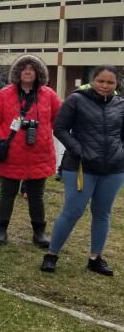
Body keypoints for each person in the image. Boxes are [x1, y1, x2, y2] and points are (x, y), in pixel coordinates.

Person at [42, 65, 124, 275]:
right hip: (80, 166)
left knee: (103, 213)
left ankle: (95, 258)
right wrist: (79, 151)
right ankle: (52, 254)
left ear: (116, 84)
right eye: (101, 81)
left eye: (110, 82)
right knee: (73, 211)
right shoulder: (76, 99)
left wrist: (120, 152)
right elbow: (60, 128)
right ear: (93, 80)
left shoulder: (120, 104)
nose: (105, 86)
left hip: (113, 168)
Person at [0, 55, 61, 247]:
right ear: (17, 72)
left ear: (38, 73)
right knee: (7, 193)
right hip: (11, 153)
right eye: (23, 68)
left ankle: (39, 233)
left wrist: (44, 132)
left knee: (36, 196)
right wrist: (4, 139)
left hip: (39, 153)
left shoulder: (49, 95)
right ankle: (1, 230)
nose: (27, 72)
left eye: (32, 68)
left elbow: (58, 118)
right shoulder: (5, 94)